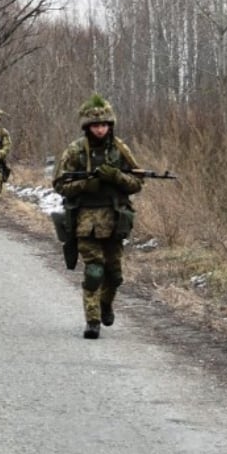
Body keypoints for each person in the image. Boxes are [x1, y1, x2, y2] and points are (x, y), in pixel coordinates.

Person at [52, 94, 143, 340]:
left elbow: (137, 182)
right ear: (87, 127)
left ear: (110, 125)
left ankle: (105, 304)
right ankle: (92, 321)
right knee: (94, 272)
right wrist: (85, 185)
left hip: (115, 220)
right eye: (95, 125)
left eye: (103, 125)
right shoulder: (75, 150)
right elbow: (60, 184)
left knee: (114, 275)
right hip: (85, 221)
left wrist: (116, 177)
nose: (100, 129)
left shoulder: (120, 149)